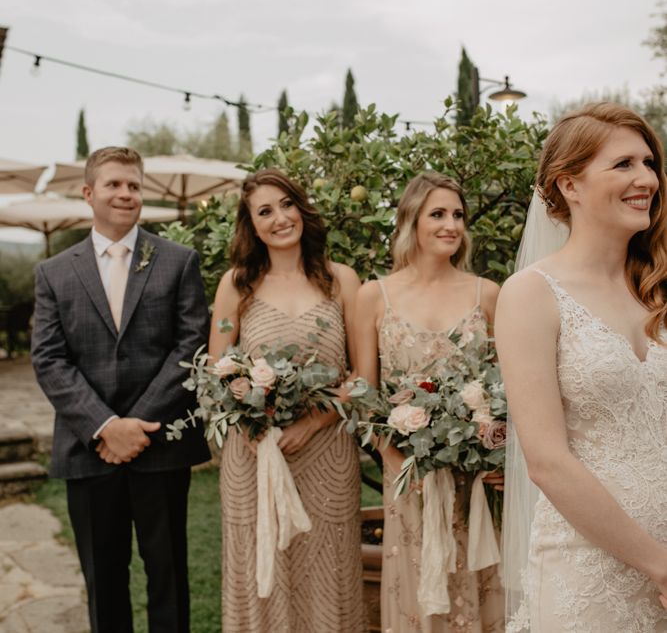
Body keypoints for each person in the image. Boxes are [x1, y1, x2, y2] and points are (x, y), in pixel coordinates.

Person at [495, 102, 667, 632]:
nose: (647, 179)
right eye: (624, 164)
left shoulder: (658, 289)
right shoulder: (530, 294)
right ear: (569, 185)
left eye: (648, 162)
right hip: (587, 570)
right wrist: (659, 565)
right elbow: (547, 461)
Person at [31, 146, 210, 633]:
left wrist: (135, 427)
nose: (125, 193)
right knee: (104, 580)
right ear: (89, 193)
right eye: (113, 184)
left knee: (168, 576)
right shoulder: (54, 272)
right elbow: (48, 359)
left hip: (160, 447)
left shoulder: (178, 261)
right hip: (89, 449)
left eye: (133, 185)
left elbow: (191, 345)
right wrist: (106, 426)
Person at [210, 168, 366, 632]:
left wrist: (313, 423)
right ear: (252, 226)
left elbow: (362, 379)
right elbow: (219, 369)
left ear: (302, 209)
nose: (280, 218)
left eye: (286, 204)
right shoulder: (237, 285)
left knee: (329, 569)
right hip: (255, 455)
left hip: (327, 453)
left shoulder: (341, 281)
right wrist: (253, 425)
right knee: (262, 570)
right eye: (265, 211)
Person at [355, 172, 504, 632]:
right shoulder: (373, 296)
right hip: (408, 477)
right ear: (411, 222)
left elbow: (508, 387)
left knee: (479, 588)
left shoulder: (488, 294)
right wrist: (395, 461)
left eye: (458, 215)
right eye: (437, 214)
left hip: (477, 480)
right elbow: (365, 396)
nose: (451, 225)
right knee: (417, 595)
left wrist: (497, 452)